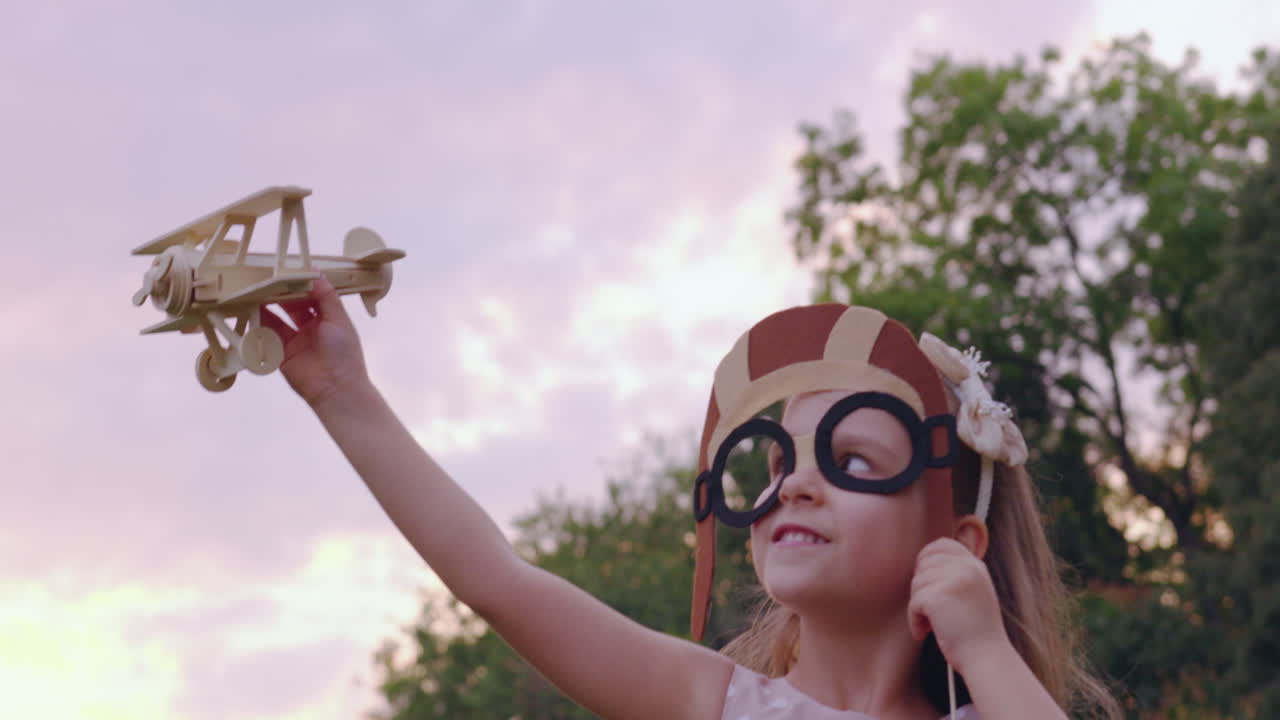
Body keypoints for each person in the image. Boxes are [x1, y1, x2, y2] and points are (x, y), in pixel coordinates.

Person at [260, 277, 1119, 720]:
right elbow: (498, 580)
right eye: (776, 459)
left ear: (955, 540)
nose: (798, 485)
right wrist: (344, 394)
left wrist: (989, 654)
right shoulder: (714, 703)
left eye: (853, 459)